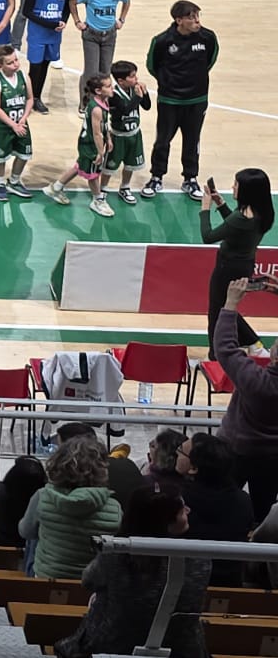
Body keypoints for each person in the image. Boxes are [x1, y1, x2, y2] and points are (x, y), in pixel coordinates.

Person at [54, 484, 210, 658]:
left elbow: (88, 581)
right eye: (181, 511)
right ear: (166, 523)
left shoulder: (115, 555)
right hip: (182, 648)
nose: (188, 511)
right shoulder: (199, 559)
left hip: (113, 642)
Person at [217, 274, 278, 518]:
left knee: (224, 505)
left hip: (236, 452)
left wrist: (230, 304)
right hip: (274, 458)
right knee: (263, 510)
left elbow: (225, 348)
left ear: (274, 357)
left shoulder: (256, 379)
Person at [145, 0, 219, 198]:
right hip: (170, 100)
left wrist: (196, 80)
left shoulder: (207, 37)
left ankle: (190, 179)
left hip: (197, 99)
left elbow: (210, 60)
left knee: (192, 140)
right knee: (163, 140)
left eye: (197, 16)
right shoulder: (162, 40)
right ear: (179, 20)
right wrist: (169, 83)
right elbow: (152, 65)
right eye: (191, 17)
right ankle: (156, 176)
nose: (197, 21)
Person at [23, 434, 123, 580]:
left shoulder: (43, 496)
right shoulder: (115, 509)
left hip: (46, 580)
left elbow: (25, 531)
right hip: (88, 587)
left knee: (35, 534)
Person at [206, 170, 273, 352]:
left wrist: (205, 208)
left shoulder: (241, 216)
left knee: (216, 312)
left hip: (227, 268)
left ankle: (216, 354)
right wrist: (221, 205)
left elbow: (208, 236)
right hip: (244, 264)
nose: (232, 187)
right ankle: (255, 345)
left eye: (236, 185)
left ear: (247, 191)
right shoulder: (261, 212)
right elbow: (235, 228)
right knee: (225, 307)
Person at [176, 431, 254, 587]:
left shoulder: (178, 501)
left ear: (193, 468)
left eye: (180, 451)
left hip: (187, 584)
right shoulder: (243, 501)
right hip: (231, 584)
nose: (176, 453)